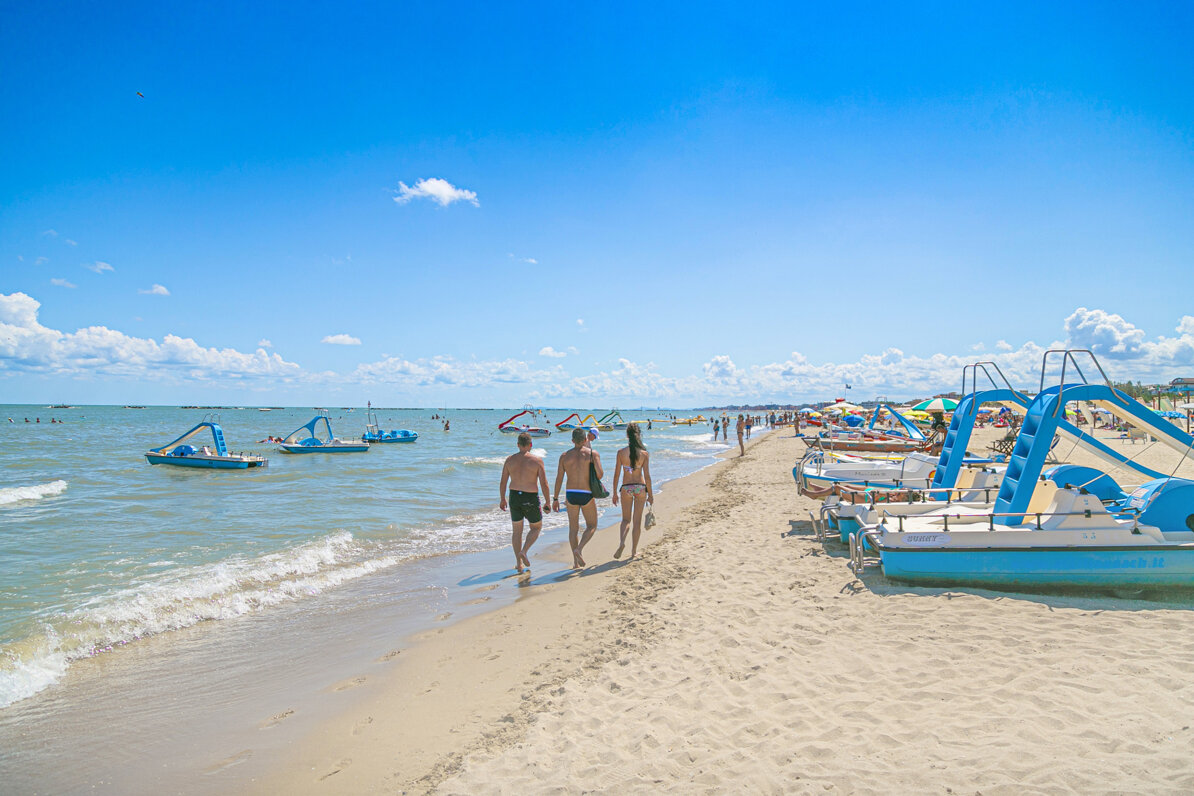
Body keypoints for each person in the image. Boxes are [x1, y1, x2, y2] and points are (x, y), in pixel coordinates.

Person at [499, 432, 551, 574]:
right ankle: (524, 551)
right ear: (530, 445)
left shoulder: (509, 460)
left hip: (514, 496)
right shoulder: (537, 461)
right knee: (536, 527)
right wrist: (548, 501)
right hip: (530, 497)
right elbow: (544, 483)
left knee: (517, 532)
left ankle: (519, 563)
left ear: (518, 445)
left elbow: (503, 482)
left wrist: (502, 498)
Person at [553, 427, 603, 569]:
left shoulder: (564, 456)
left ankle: (575, 563)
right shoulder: (592, 454)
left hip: (571, 494)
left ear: (572, 440)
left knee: (573, 529)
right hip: (586, 493)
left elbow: (559, 479)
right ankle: (579, 549)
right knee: (592, 525)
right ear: (586, 439)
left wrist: (555, 499)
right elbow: (600, 475)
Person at [611, 423, 653, 559]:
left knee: (625, 520)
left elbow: (616, 475)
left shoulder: (621, 453)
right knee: (637, 521)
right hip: (640, 488)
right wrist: (651, 495)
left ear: (627, 436)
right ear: (638, 435)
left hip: (626, 488)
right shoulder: (644, 454)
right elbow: (647, 476)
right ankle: (634, 551)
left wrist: (614, 493)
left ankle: (622, 542)